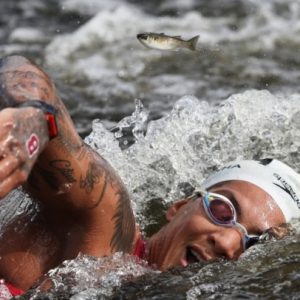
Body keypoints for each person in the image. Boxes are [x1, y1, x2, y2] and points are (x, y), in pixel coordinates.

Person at [0, 55, 299, 297]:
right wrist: (34, 115)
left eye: (254, 244)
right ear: (179, 207)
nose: (229, 242)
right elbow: (26, 73)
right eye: (223, 209)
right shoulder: (105, 229)